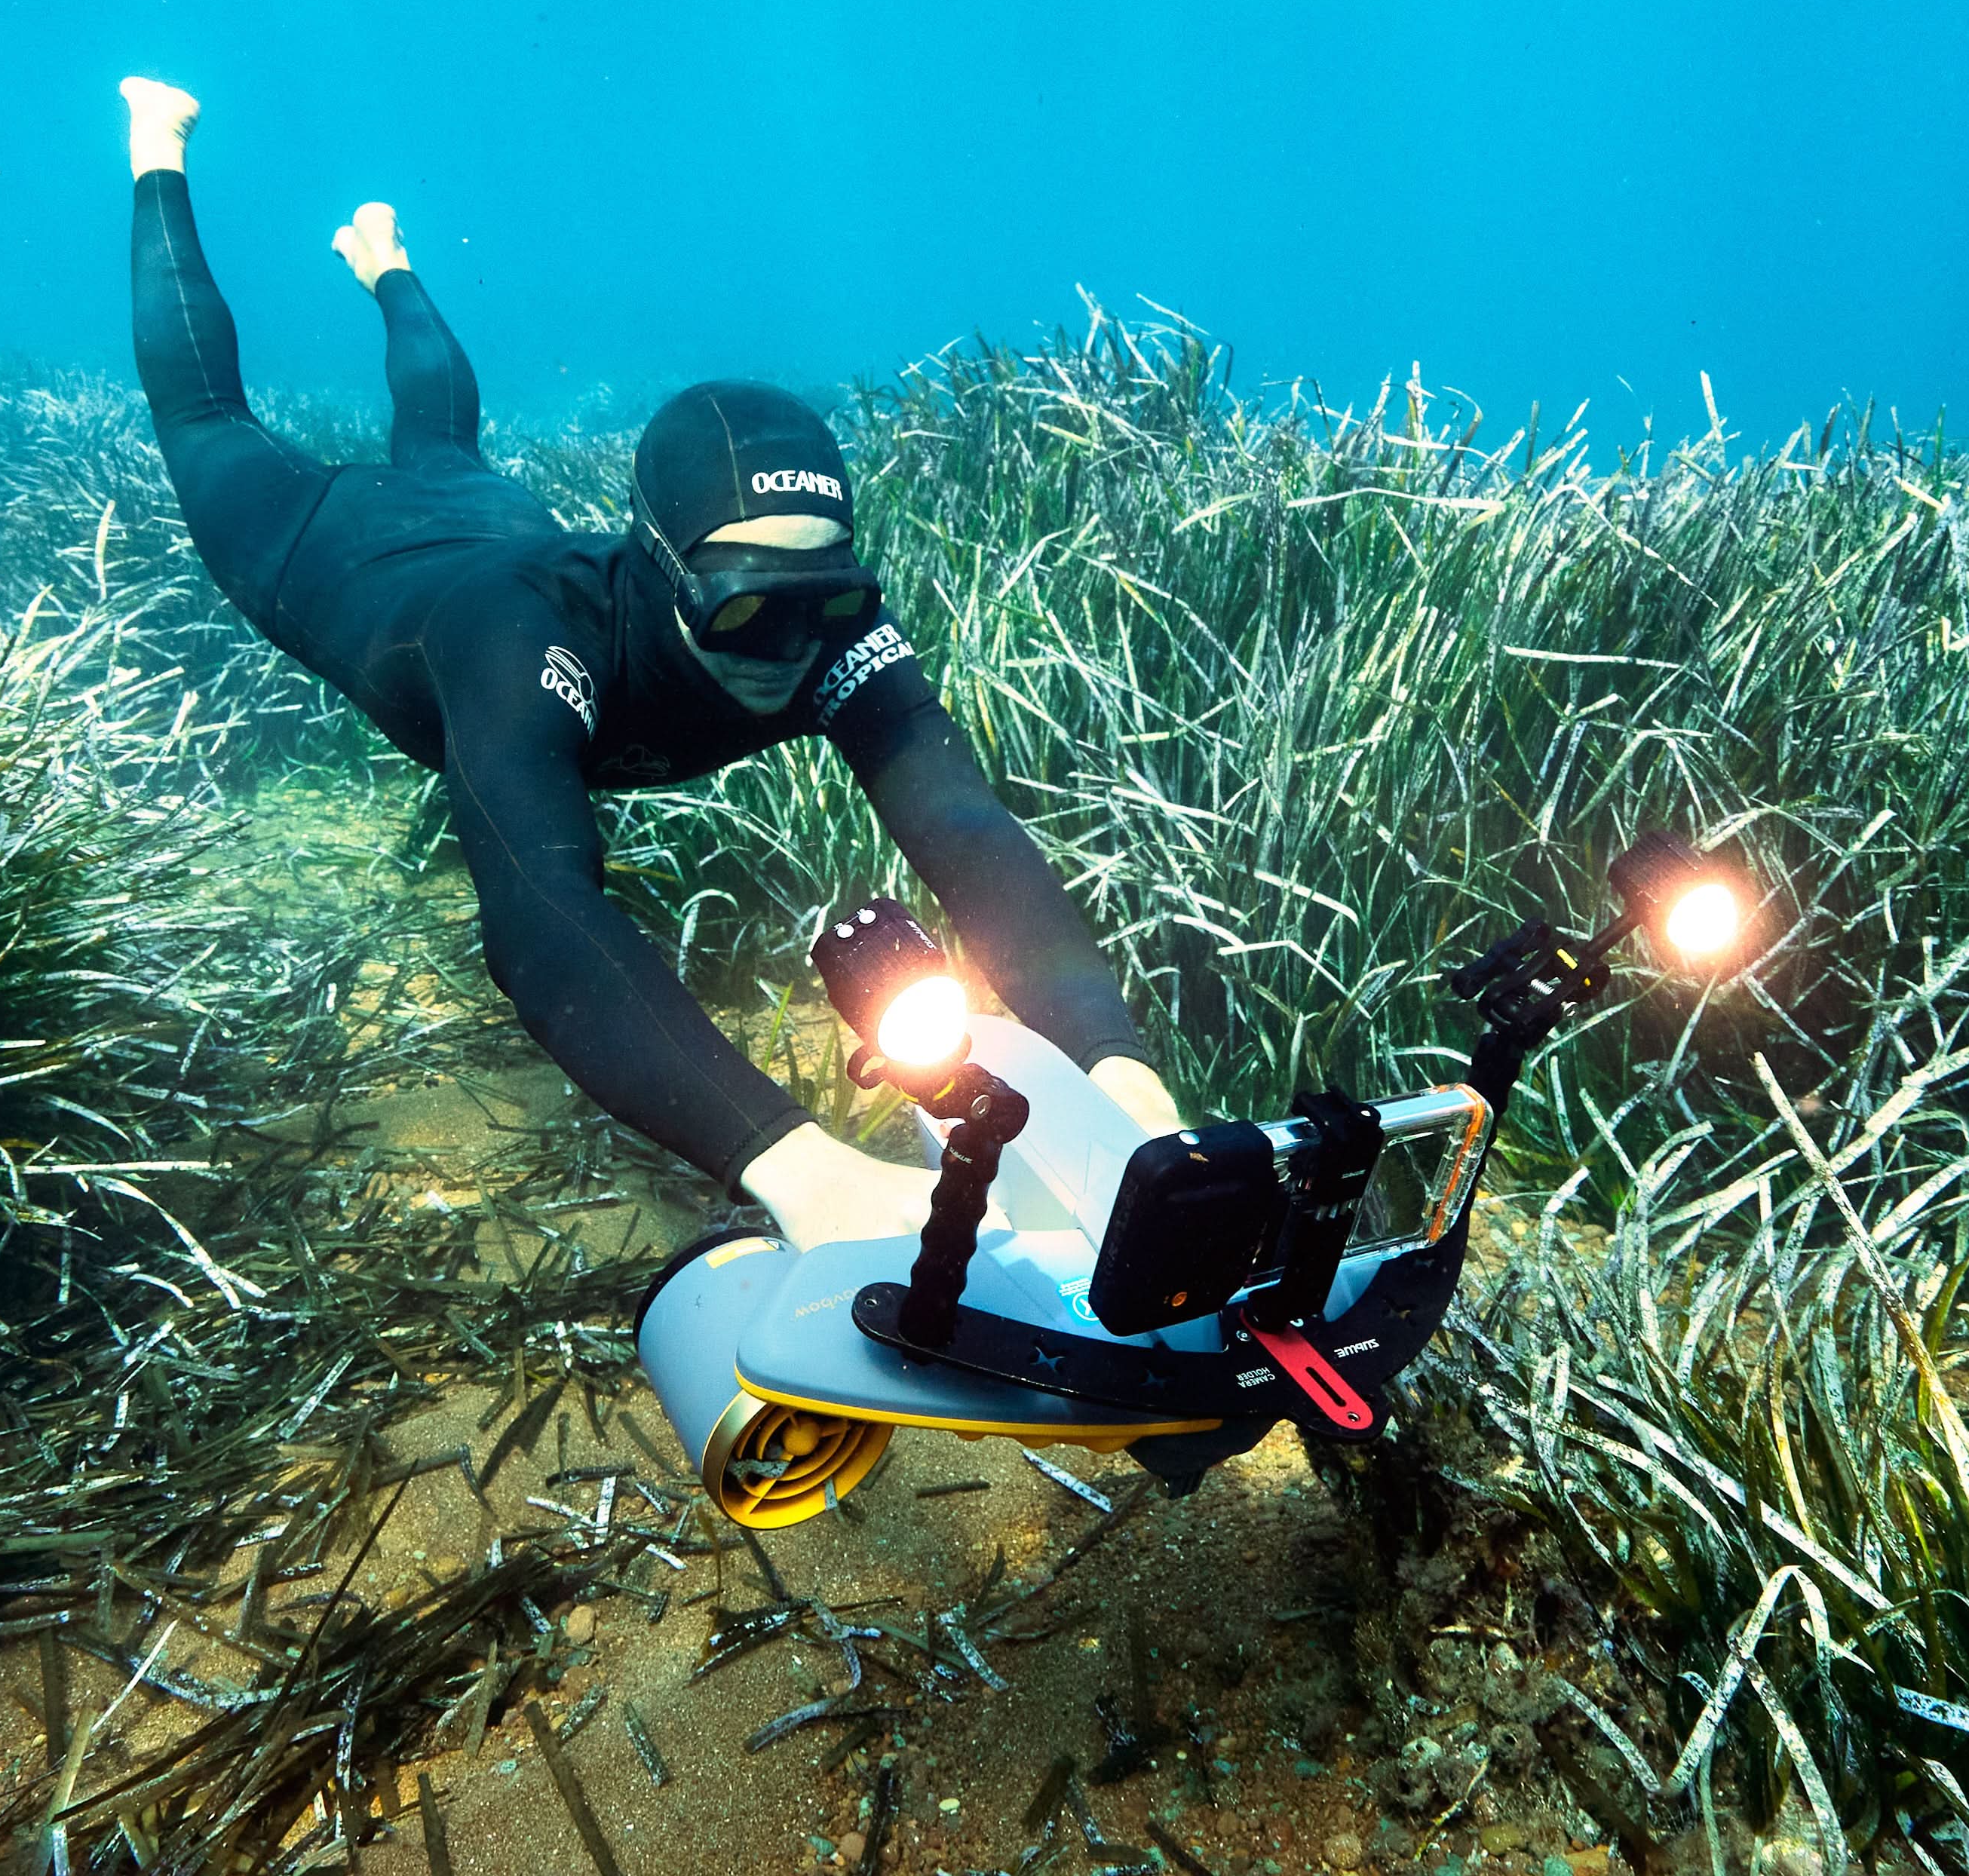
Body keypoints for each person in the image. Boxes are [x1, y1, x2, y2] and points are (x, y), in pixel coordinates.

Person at [117, 76, 1176, 1248]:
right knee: (207, 424)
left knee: (445, 441)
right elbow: (541, 915)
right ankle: (156, 148)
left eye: (824, 606)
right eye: (746, 614)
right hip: (337, 552)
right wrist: (806, 1172)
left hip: (484, 516)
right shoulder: (526, 644)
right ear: (663, 572)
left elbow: (971, 838)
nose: (793, 650)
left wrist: (1123, 1084)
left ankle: (387, 266)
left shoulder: (824, 630)